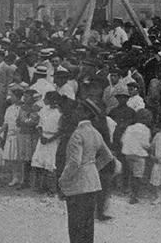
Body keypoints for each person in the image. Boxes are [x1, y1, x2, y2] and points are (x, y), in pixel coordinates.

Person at [59, 99, 113, 243]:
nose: (75, 112)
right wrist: (93, 168)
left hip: (78, 183)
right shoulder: (95, 132)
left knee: (75, 224)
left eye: (78, 109)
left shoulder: (78, 134)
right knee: (88, 224)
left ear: (84, 113)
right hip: (92, 182)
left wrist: (63, 179)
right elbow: (108, 156)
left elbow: (74, 162)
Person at [31, 91, 62, 194]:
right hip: (43, 138)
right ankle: (41, 186)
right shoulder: (44, 110)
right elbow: (40, 125)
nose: (44, 100)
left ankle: (52, 188)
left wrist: (50, 139)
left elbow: (60, 130)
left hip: (53, 140)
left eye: (46, 98)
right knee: (40, 162)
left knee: (51, 164)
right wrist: (41, 136)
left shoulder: (59, 112)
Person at [121, 108, 152, 204]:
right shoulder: (146, 129)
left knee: (131, 173)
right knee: (137, 176)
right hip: (139, 155)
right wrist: (151, 148)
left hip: (128, 153)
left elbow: (123, 140)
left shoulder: (130, 128)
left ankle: (129, 190)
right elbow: (145, 144)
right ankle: (134, 195)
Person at [0, 85, 25, 186]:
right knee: (12, 158)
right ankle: (15, 177)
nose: (11, 98)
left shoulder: (24, 108)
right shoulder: (9, 109)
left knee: (21, 158)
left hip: (21, 134)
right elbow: (6, 123)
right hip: (11, 135)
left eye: (13, 96)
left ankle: (22, 178)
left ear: (18, 97)